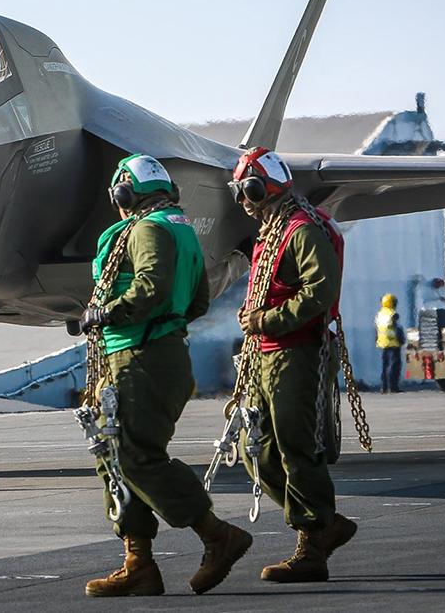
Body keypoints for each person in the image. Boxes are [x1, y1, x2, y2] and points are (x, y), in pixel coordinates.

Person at [81, 153, 252, 597]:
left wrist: (105, 313)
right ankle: (138, 563)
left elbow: (150, 288)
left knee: (137, 457)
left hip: (140, 356)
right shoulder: (182, 230)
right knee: (117, 456)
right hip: (160, 353)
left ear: (124, 193)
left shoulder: (148, 229)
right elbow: (198, 300)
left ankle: (217, 534)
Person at [229, 146, 357, 583]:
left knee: (296, 450)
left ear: (257, 188)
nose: (242, 201)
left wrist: (266, 319)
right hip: (265, 355)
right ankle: (323, 523)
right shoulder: (271, 231)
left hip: (295, 354)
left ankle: (311, 547)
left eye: (244, 191)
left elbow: (319, 293)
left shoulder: (300, 230)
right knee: (259, 452)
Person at [375, 294, 405, 393]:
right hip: (393, 343)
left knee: (385, 367)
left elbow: (377, 329)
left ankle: (383, 387)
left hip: (383, 343)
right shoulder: (393, 314)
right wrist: (401, 340)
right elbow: (396, 329)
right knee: (394, 366)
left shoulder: (379, 314)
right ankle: (393, 387)